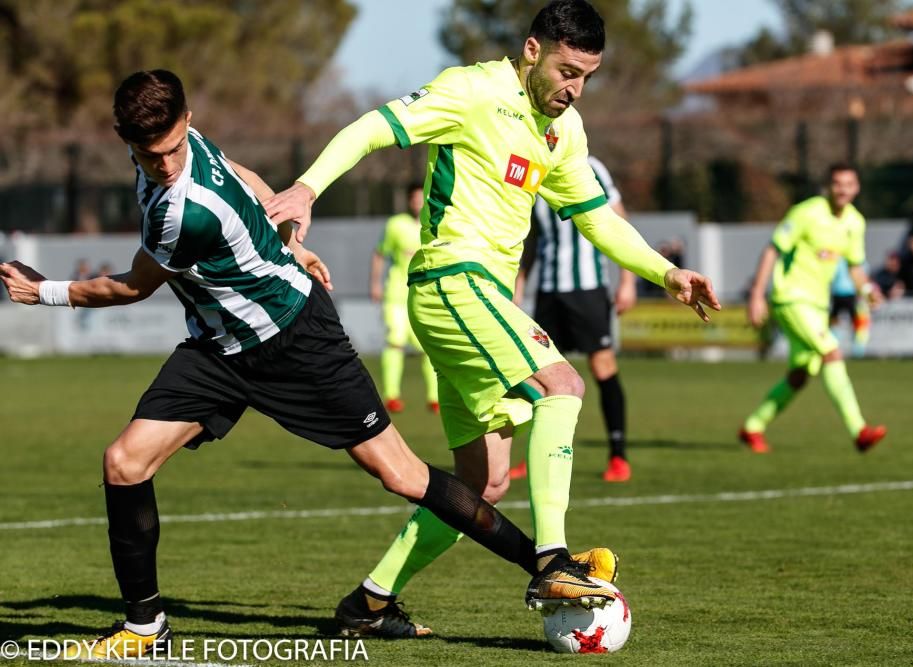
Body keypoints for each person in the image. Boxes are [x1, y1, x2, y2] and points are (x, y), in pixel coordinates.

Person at [0, 70, 592, 658]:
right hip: (220, 348)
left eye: (173, 148)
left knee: (402, 475)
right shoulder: (181, 148)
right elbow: (248, 179)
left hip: (297, 338)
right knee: (124, 462)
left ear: (186, 121)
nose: (165, 165)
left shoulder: (181, 212)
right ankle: (145, 628)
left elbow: (132, 287)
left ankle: (544, 563)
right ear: (125, 140)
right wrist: (288, 235)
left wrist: (43, 291)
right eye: (149, 155)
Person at [265, 0, 719, 637]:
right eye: (566, 70)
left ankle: (366, 605)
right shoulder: (473, 91)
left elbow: (594, 217)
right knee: (564, 385)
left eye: (587, 75)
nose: (574, 87)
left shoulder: (565, 131)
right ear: (532, 50)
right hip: (452, 280)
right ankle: (552, 559)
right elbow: (372, 126)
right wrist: (308, 187)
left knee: (482, 484)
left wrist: (662, 272)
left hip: (479, 300)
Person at [741, 163, 886, 454]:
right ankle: (859, 431)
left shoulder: (854, 223)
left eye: (849, 183)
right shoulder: (806, 212)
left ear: (856, 188)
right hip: (791, 298)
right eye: (837, 183)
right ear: (828, 186)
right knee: (831, 352)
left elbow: (855, 265)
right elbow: (773, 249)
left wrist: (868, 289)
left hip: (818, 305)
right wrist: (757, 294)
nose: (843, 189)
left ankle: (752, 427)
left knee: (800, 374)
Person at [512, 155, 636, 482]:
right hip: (549, 292)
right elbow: (532, 238)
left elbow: (618, 223)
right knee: (539, 374)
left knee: (602, 366)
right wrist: (519, 285)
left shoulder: (592, 166)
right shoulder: (532, 166)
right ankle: (537, 454)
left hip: (588, 290)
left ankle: (618, 456)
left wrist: (628, 281)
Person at [370, 182, 438, 413]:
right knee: (395, 342)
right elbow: (380, 254)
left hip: (425, 295)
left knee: (428, 347)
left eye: (422, 198)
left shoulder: (436, 223)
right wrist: (375, 284)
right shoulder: (395, 224)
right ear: (409, 200)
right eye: (414, 198)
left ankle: (434, 397)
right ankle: (391, 396)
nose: (418, 202)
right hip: (396, 294)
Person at [829, 257, 870, 358]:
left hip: (845, 294)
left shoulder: (838, 260)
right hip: (845, 294)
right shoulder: (856, 260)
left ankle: (856, 349)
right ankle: (854, 349)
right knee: (853, 321)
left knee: (855, 321)